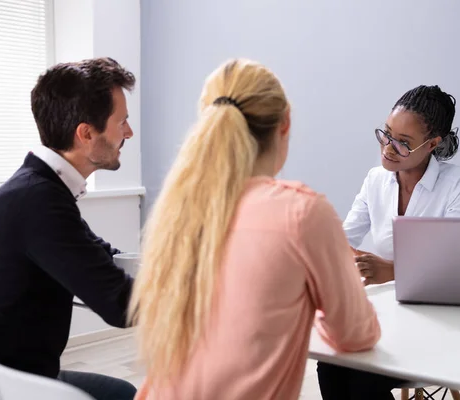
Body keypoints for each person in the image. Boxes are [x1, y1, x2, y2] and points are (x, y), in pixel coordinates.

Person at [129, 59, 381, 400]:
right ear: (285, 123)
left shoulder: (179, 210)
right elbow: (357, 334)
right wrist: (318, 301)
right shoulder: (303, 213)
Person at [0, 57, 138, 400]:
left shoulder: (40, 187)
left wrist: (169, 261)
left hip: (12, 370)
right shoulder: (38, 199)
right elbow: (120, 304)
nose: (128, 132)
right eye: (122, 121)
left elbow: (102, 255)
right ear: (86, 134)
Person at [317, 85, 460, 399]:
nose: (388, 148)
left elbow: (454, 263)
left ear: (432, 144)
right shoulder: (375, 180)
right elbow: (342, 239)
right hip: (386, 313)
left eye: (403, 143)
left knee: (365, 377)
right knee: (330, 363)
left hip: (438, 320)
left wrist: (392, 270)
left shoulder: (458, 185)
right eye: (387, 134)